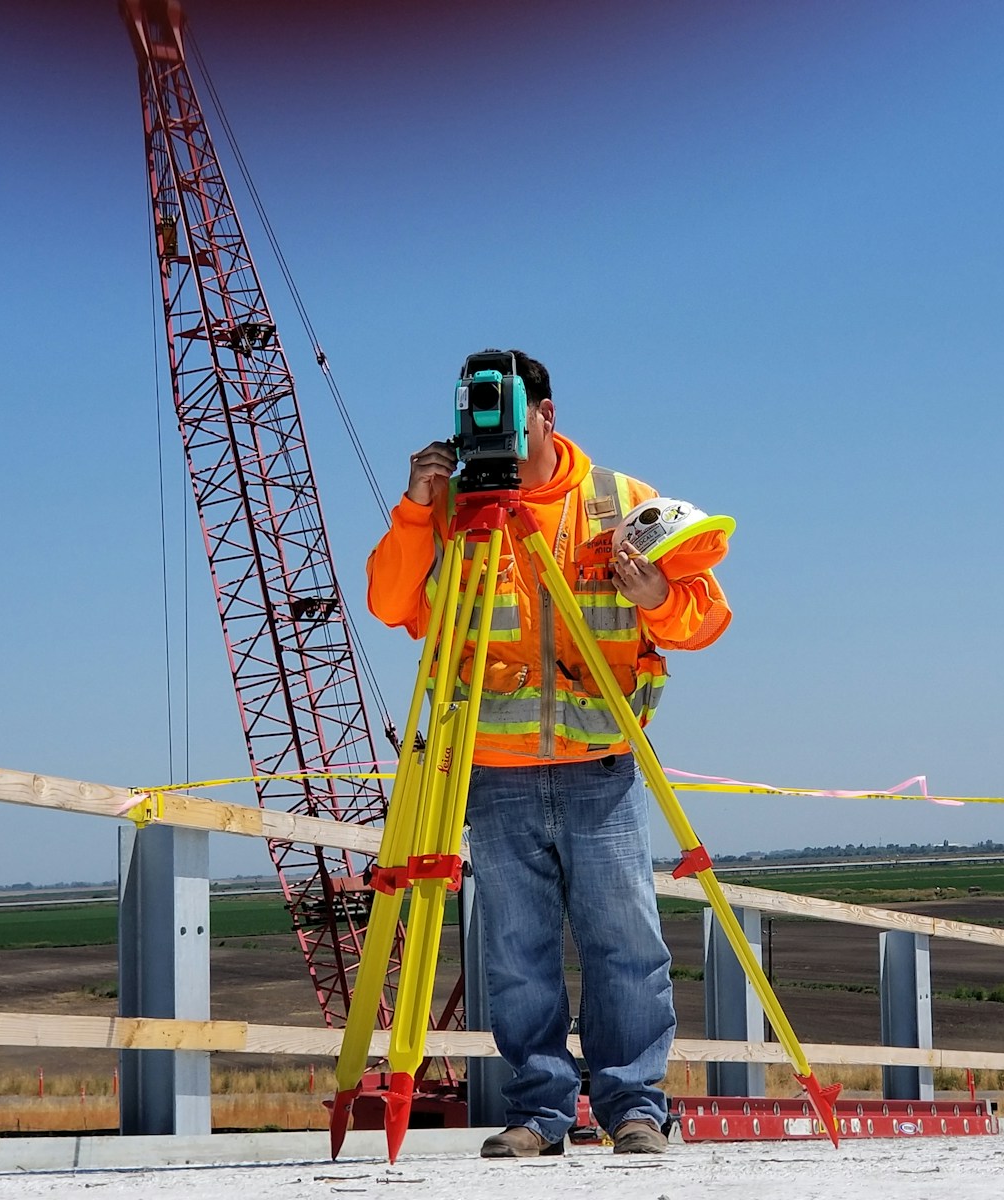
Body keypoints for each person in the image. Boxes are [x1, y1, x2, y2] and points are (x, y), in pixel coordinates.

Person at [365, 349, 732, 1157]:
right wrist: (418, 508)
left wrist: (659, 598)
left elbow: (706, 619)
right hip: (491, 773)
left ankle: (633, 1104)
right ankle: (540, 1112)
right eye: (478, 414)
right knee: (516, 955)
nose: (491, 431)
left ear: (547, 415)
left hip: (600, 766)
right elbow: (390, 601)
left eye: (506, 413)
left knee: (625, 945)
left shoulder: (621, 502)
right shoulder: (454, 508)